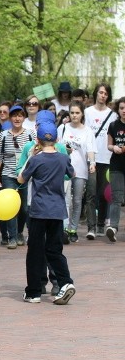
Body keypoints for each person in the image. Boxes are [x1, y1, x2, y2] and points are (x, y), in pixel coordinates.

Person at [18, 121, 76, 305]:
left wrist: (30, 157)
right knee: (55, 250)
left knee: (35, 251)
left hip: (39, 211)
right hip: (57, 210)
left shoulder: (36, 159)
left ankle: (34, 292)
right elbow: (71, 174)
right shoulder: (63, 158)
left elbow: (21, 178)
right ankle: (65, 282)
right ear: (56, 139)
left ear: (38, 140)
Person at [0, 105, 36, 248]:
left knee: (23, 208)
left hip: (24, 175)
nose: (17, 118)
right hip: (8, 175)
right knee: (10, 206)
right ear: (10, 118)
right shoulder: (3, 135)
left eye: (20, 115)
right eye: (14, 116)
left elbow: (35, 153)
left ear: (23, 117)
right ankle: (11, 237)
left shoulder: (30, 134)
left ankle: (19, 232)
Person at [57, 101, 96, 243]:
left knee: (78, 200)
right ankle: (65, 228)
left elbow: (91, 149)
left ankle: (73, 228)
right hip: (64, 170)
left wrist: (92, 163)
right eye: (72, 112)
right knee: (66, 199)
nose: (74, 115)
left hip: (80, 170)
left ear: (82, 114)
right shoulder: (62, 128)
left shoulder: (87, 131)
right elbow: (56, 145)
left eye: (77, 113)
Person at [85, 84, 116, 238]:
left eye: (106, 93)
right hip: (91, 157)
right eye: (100, 92)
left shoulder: (113, 115)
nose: (103, 95)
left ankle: (101, 224)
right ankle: (91, 226)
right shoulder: (87, 112)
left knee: (104, 193)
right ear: (95, 94)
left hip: (107, 157)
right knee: (91, 193)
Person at [106, 96, 125, 242]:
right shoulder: (113, 125)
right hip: (116, 166)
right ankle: (113, 227)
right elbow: (109, 145)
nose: (124, 111)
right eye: (122, 108)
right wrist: (114, 148)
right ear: (118, 110)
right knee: (116, 198)